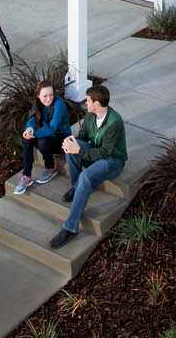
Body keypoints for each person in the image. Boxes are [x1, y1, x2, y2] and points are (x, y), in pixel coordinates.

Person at [49, 82, 127, 248]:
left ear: (97, 104)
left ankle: (70, 228)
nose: (86, 103)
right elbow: (82, 137)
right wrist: (71, 143)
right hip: (96, 152)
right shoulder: (91, 116)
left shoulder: (114, 122)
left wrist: (79, 151)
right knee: (73, 146)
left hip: (112, 160)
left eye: (89, 101)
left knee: (86, 176)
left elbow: (105, 153)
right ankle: (76, 187)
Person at [14, 79, 71, 193]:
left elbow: (51, 129)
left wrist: (34, 133)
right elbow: (33, 118)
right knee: (27, 138)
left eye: (51, 95)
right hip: (49, 137)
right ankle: (26, 176)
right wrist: (29, 129)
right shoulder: (38, 103)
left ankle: (50, 167)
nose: (48, 99)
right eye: (45, 96)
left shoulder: (58, 104)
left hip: (62, 140)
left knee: (42, 141)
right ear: (38, 96)